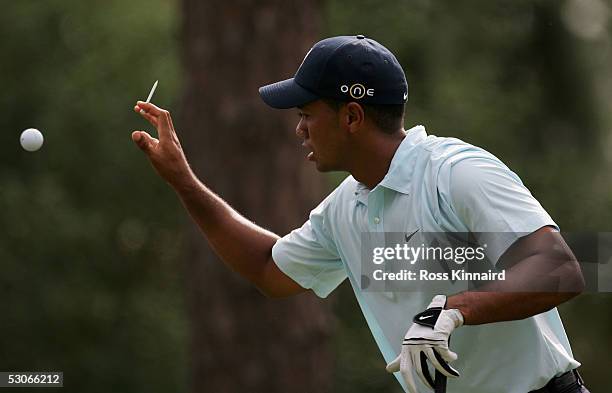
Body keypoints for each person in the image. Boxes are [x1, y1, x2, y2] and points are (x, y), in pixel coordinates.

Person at [131, 35, 589, 393]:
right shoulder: (344, 210)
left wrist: (453, 309)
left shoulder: (457, 172)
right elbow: (268, 269)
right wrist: (183, 181)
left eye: (307, 113)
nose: (299, 129)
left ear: (351, 117)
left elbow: (562, 269)